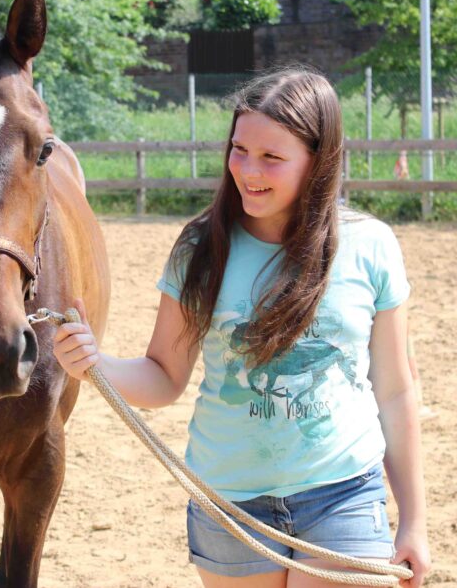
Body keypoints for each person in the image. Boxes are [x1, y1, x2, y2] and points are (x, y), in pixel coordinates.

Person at [54, 68, 430, 588]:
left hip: (342, 494)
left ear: (319, 161)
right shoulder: (201, 248)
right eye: (239, 150)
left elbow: (395, 391)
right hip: (228, 503)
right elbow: (163, 377)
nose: (249, 170)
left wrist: (414, 520)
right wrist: (96, 364)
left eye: (272, 157)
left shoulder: (371, 245)